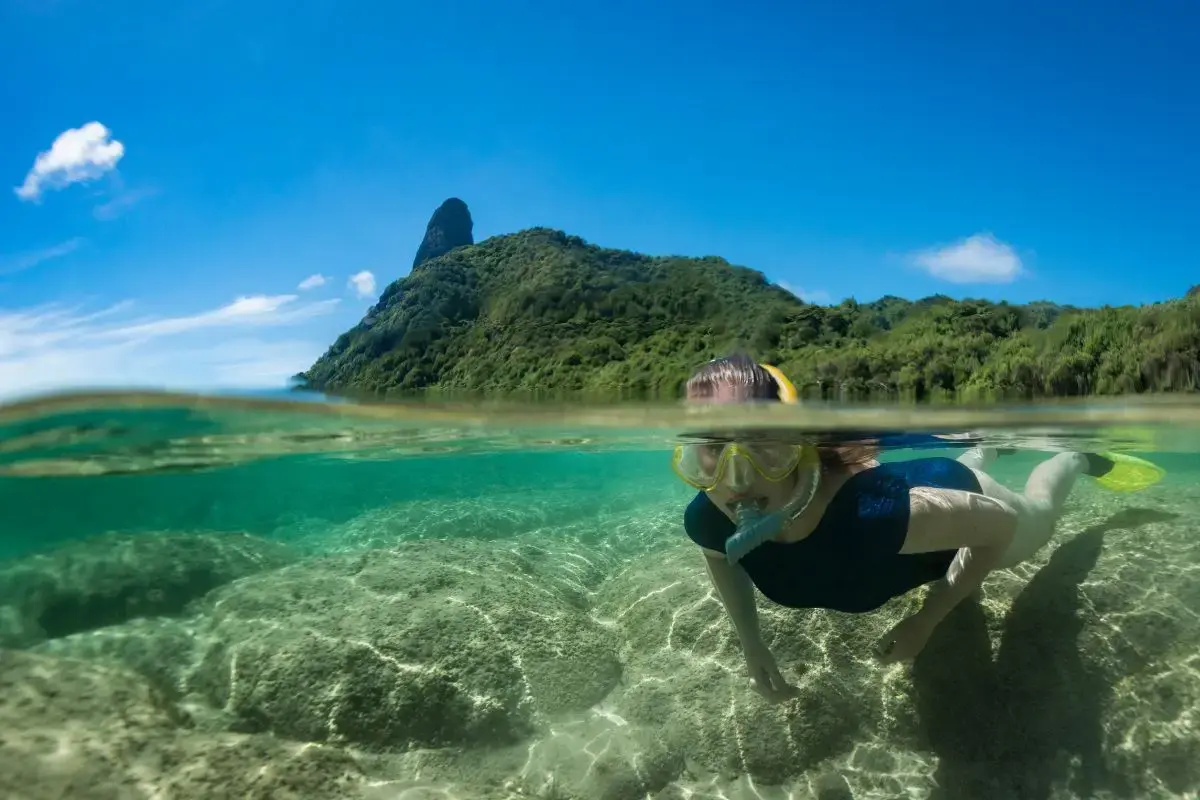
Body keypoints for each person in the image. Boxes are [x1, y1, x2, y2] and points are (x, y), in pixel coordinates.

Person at [674, 353, 1166, 703]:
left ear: (796, 443)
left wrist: (928, 619)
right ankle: (984, 447)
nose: (737, 481)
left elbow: (1001, 525)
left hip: (962, 502)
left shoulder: (874, 514)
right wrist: (751, 641)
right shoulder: (710, 516)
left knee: (1037, 521)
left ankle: (1074, 458)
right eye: (714, 448)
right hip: (930, 505)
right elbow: (719, 556)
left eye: (760, 443)